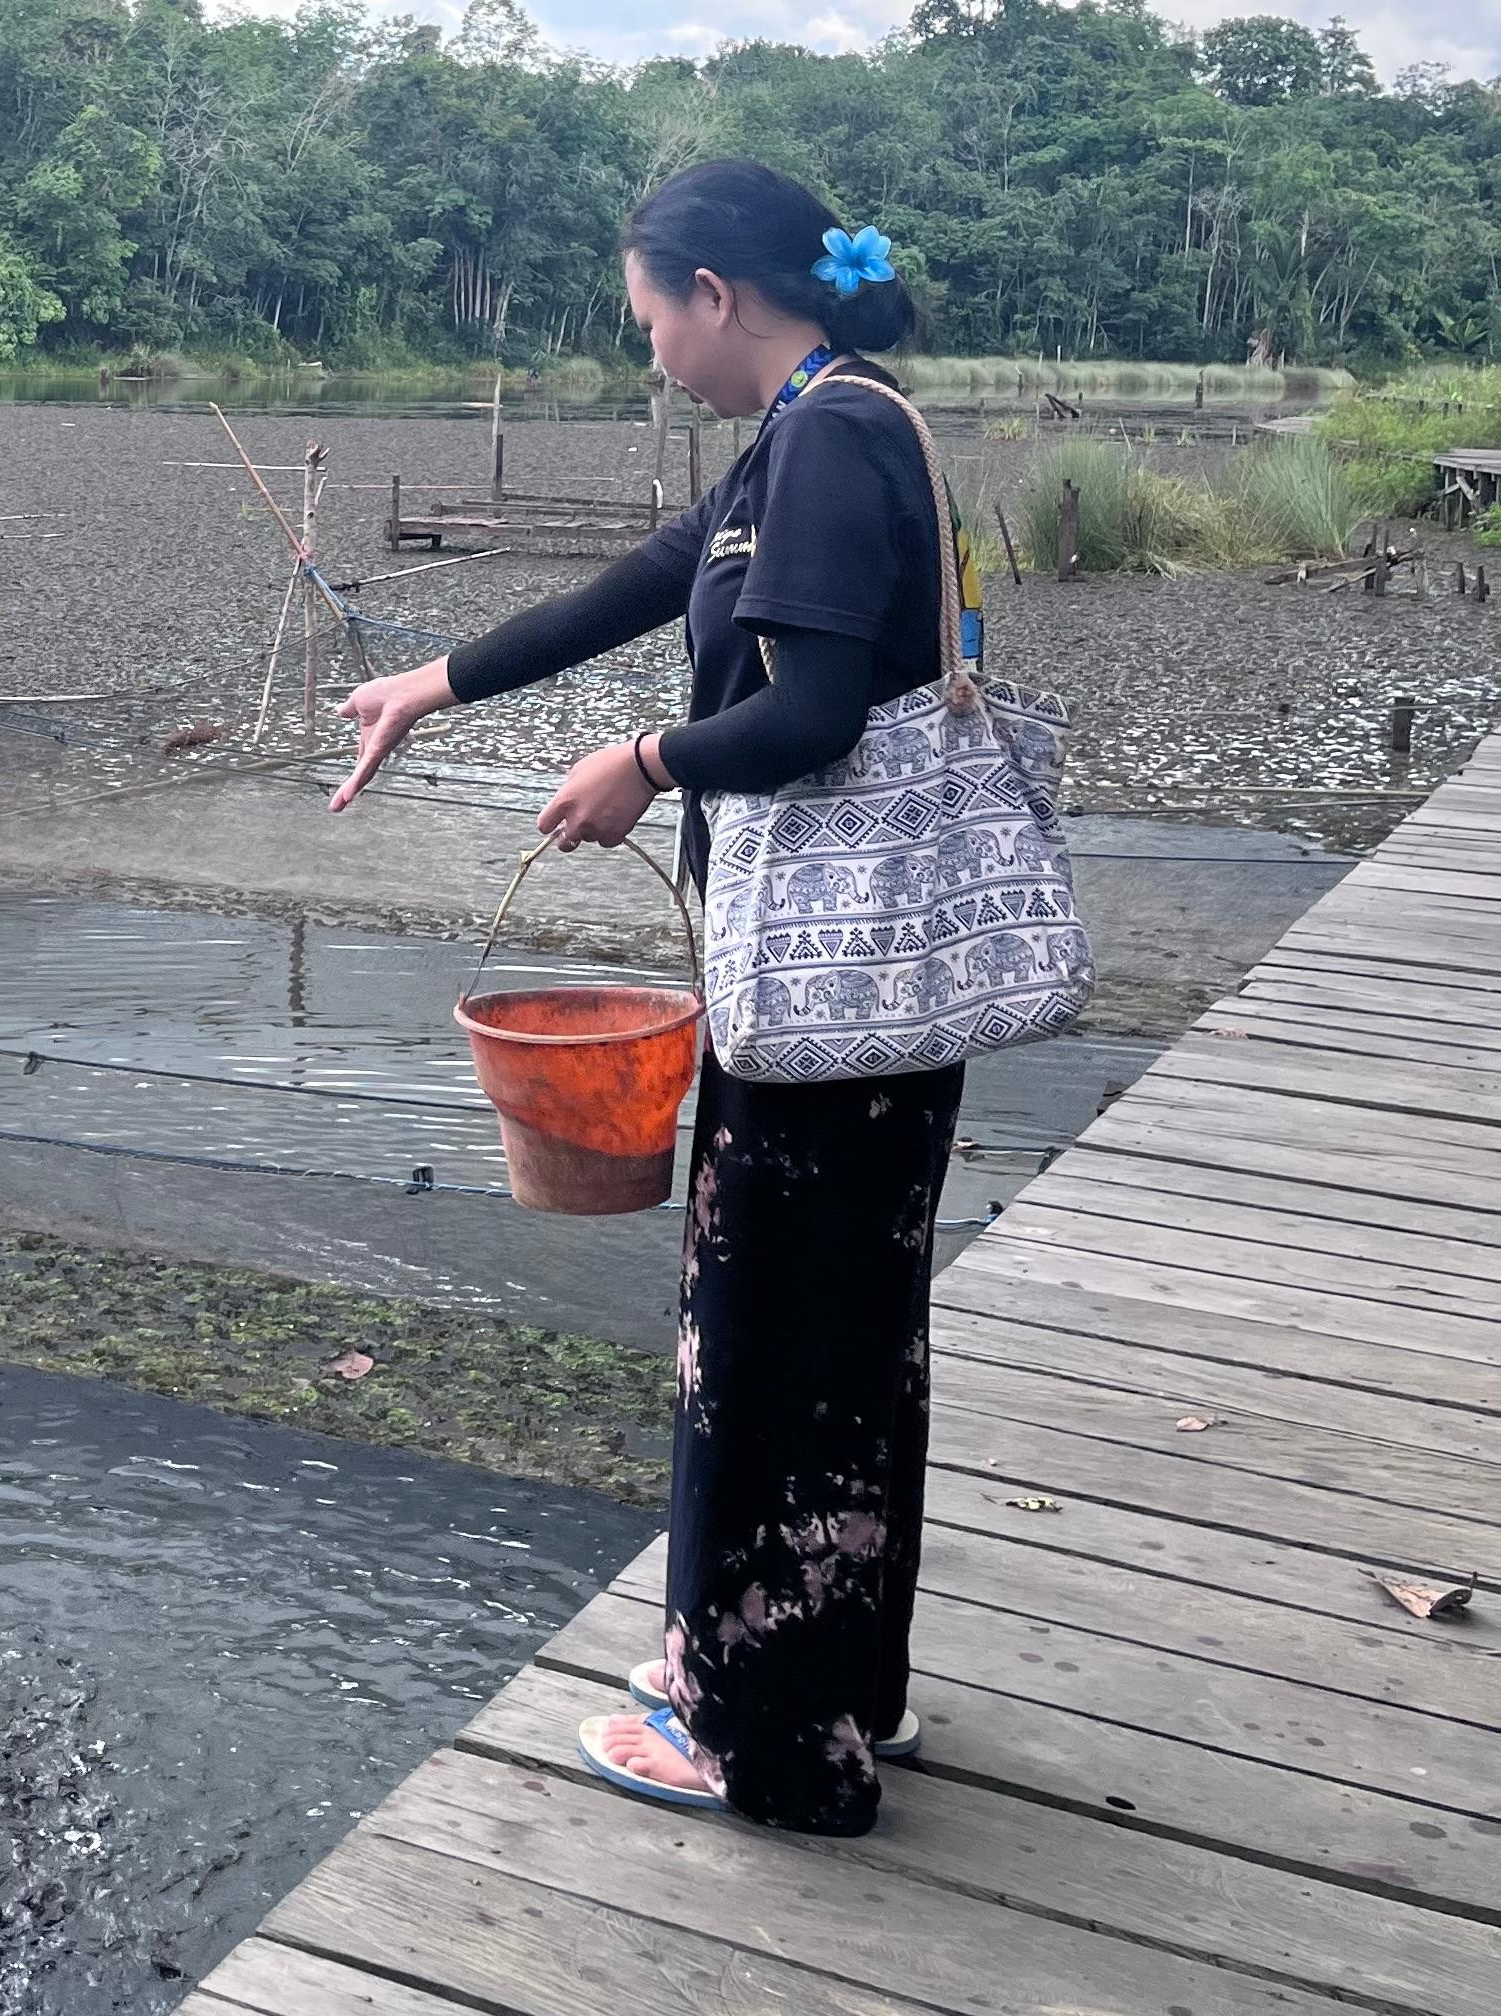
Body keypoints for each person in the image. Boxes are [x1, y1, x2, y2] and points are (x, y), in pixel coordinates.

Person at [334, 159, 968, 1837]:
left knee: (763, 1343)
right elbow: (637, 583)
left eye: (647, 322)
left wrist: (646, 755)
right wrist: (433, 681)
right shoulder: (809, 429)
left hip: (825, 992)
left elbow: (817, 709)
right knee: (839, 1338)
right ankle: (827, 1684)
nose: (649, 357)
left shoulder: (830, 441)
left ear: (719, 296)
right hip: (849, 992)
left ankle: (752, 1738)